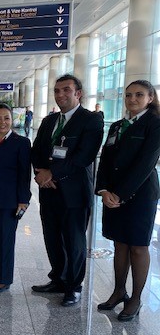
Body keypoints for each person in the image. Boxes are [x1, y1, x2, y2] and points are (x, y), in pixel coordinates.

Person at [31, 74, 103, 306]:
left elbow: (83, 157)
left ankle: (73, 286)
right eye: (57, 90)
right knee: (52, 238)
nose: (60, 94)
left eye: (66, 90)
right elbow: (36, 150)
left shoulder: (90, 120)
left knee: (74, 241)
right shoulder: (49, 121)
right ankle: (58, 279)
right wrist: (40, 173)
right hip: (49, 191)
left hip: (74, 193)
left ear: (78, 93)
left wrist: (52, 173)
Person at [95, 80, 160, 321]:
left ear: (150, 98)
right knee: (119, 244)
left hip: (140, 195)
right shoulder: (117, 126)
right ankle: (119, 291)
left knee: (138, 246)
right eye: (129, 95)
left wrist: (120, 194)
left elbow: (146, 163)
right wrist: (103, 190)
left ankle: (136, 299)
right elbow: (105, 159)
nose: (132, 99)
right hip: (113, 194)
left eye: (139, 95)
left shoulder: (154, 124)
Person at [0, 104, 31, 293]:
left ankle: (4, 278)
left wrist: (23, 200)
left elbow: (24, 173)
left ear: (12, 120)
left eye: (6, 118)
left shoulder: (21, 143)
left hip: (9, 199)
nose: (2, 122)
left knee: (6, 240)